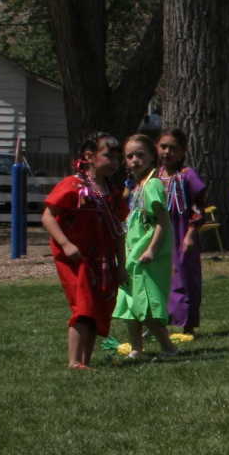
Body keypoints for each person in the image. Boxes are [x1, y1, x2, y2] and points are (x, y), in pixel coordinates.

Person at [42, 133, 126, 369]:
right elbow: (48, 217)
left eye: (117, 157)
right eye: (108, 156)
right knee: (84, 306)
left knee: (97, 308)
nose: (114, 162)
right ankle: (74, 361)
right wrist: (66, 244)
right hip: (77, 258)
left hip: (103, 259)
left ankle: (84, 362)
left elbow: (119, 230)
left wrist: (121, 264)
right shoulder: (73, 185)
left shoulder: (112, 192)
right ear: (90, 156)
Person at [112, 133, 178, 358]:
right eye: (129, 156)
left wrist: (152, 249)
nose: (134, 160)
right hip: (132, 252)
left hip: (147, 255)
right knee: (131, 301)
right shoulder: (134, 186)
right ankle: (136, 348)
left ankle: (168, 347)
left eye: (140, 155)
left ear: (152, 157)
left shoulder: (153, 185)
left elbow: (162, 222)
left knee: (145, 303)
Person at [157, 127, 206, 333]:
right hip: (158, 235)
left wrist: (191, 234)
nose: (167, 152)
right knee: (159, 277)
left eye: (173, 148)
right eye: (163, 147)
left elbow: (198, 206)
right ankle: (157, 322)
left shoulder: (187, 176)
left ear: (183, 151)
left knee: (184, 276)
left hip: (181, 232)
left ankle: (186, 324)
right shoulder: (154, 176)